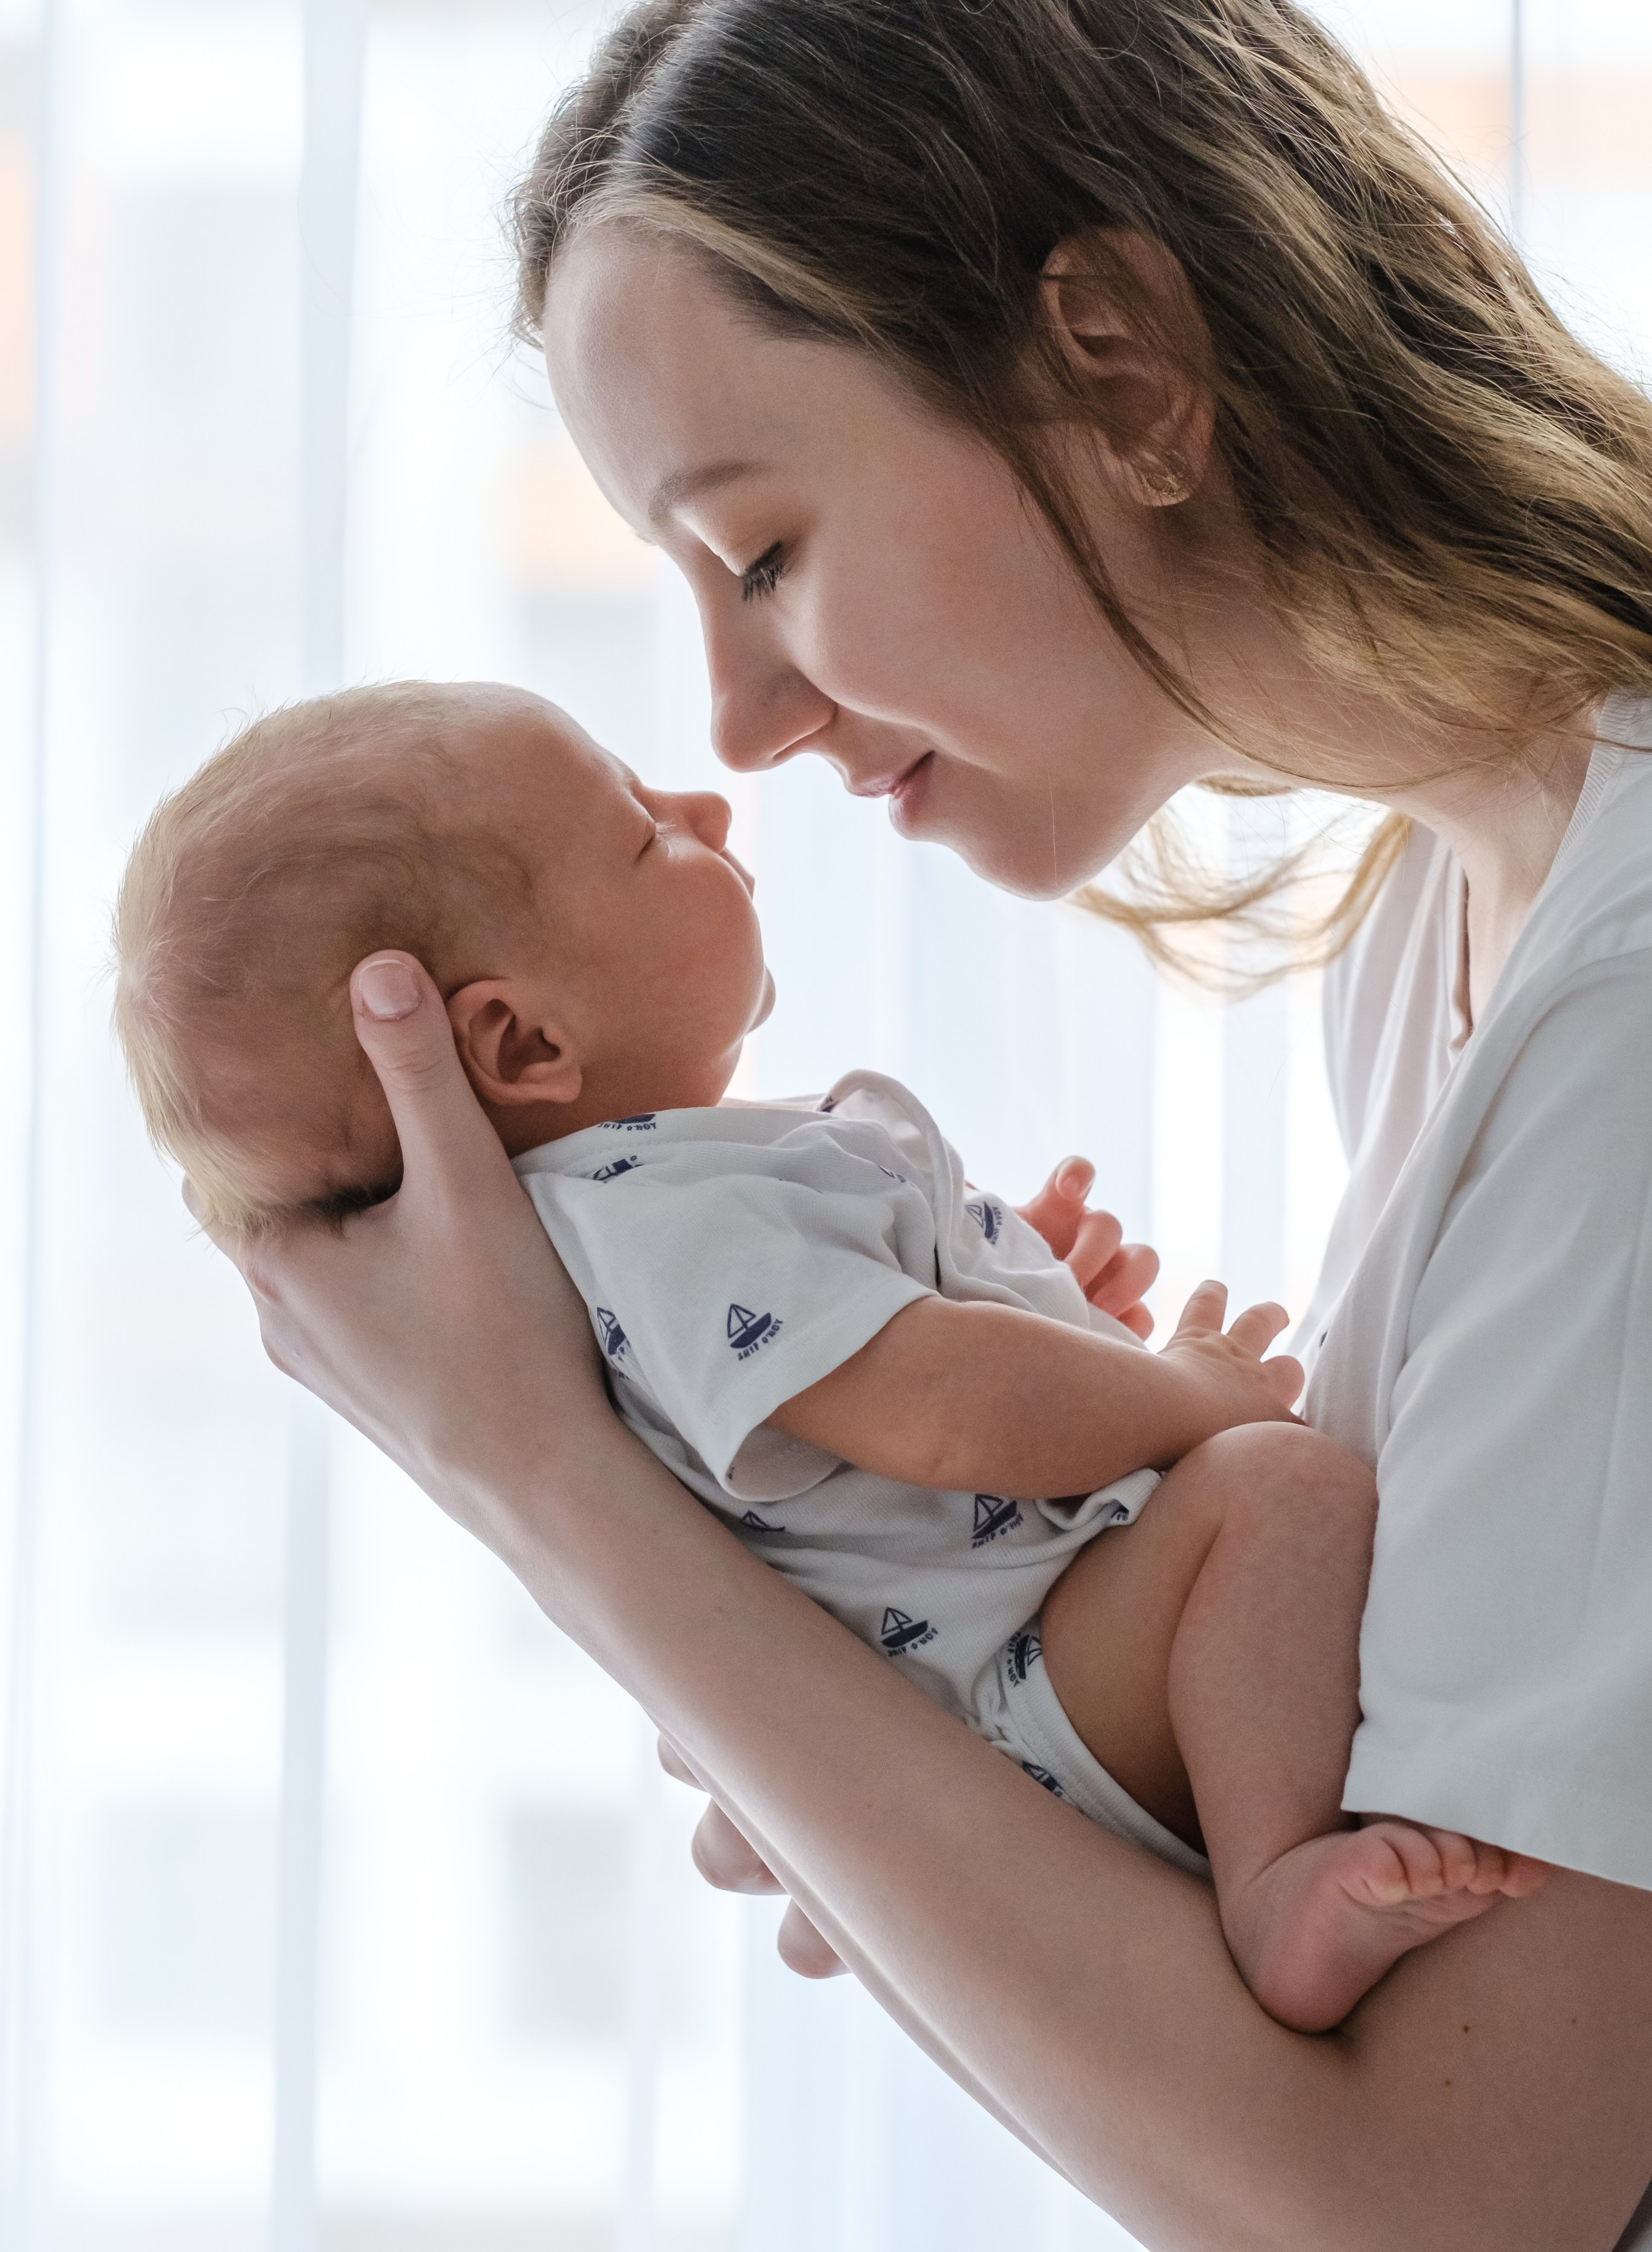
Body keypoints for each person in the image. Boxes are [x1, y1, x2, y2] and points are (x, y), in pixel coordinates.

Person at [199, 0, 1652, 2249]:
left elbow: (1449, 2205)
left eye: (759, 552)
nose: (740, 722)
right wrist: (941, 1815)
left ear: (1120, 365)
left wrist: (553, 1485)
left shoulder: (1613, 998)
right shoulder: (1445, 925)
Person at [116, 680, 1546, 2033]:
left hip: (1017, 1663)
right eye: (643, 830)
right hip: (1021, 1694)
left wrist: (1007, 1291)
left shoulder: (650, 1209)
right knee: (1277, 1492)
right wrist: (1174, 1392)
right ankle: (1271, 1879)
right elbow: (933, 1414)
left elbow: (903, 1396)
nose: (713, 807)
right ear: (519, 1040)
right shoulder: (661, 1217)